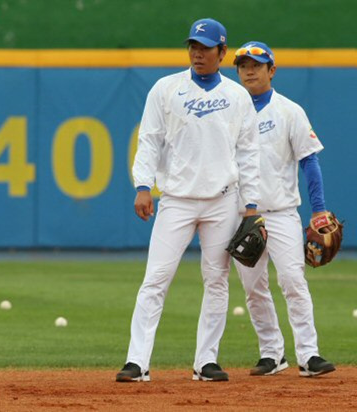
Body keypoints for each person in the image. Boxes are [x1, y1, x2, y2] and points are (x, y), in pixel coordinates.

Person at [116, 18, 261, 383]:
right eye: (194, 46)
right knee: (156, 278)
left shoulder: (237, 96)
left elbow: (248, 155)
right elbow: (149, 140)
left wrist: (252, 205)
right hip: (176, 200)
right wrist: (143, 186)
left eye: (206, 47)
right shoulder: (166, 89)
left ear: (222, 52)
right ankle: (137, 362)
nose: (198, 52)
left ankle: (205, 361)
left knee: (216, 280)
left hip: (222, 202)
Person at [232, 42, 336, 377]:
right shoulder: (228, 111)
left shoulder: (289, 111)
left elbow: (309, 161)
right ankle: (272, 354)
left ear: (271, 70)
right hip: (241, 216)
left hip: (280, 213)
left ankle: (309, 355)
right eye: (243, 65)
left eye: (257, 65)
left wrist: (318, 209)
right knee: (253, 288)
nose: (249, 70)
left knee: (293, 281)